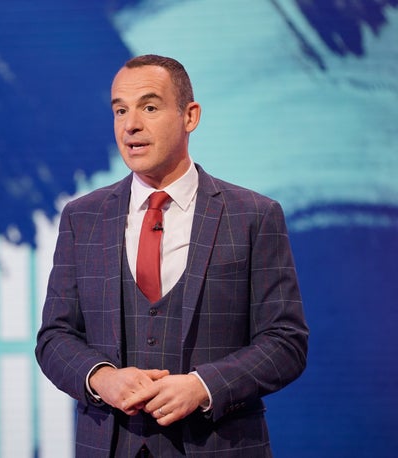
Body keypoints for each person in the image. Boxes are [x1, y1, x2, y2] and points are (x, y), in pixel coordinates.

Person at [35, 54, 309, 457]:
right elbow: (55, 337)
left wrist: (204, 387)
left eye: (149, 107)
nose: (131, 125)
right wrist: (101, 378)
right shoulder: (83, 217)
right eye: (120, 111)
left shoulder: (253, 215)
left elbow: (286, 342)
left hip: (220, 446)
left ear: (190, 116)